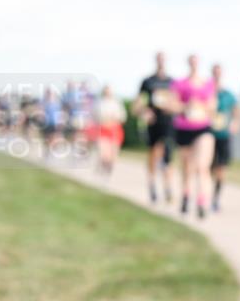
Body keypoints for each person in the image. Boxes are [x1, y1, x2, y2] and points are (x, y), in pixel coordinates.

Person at [170, 55, 217, 219]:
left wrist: (201, 106)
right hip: (184, 128)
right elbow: (172, 105)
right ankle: (186, 194)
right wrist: (186, 106)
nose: (194, 64)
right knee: (187, 167)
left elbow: (213, 106)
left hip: (203, 128)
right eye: (192, 61)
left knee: (202, 166)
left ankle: (202, 201)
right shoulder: (179, 83)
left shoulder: (208, 84)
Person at [133, 52, 176, 204]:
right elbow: (137, 104)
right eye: (159, 59)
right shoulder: (148, 82)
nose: (161, 62)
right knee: (153, 154)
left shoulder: (172, 82)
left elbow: (177, 102)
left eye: (163, 59)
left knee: (167, 155)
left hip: (168, 122)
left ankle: (168, 187)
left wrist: (171, 107)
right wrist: (144, 112)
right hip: (153, 124)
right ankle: (152, 185)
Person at [210, 63, 240, 212]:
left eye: (219, 72)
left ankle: (216, 198)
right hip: (208, 135)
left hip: (224, 135)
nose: (217, 74)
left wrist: (235, 124)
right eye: (215, 72)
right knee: (208, 168)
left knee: (221, 169)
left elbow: (237, 112)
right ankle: (206, 194)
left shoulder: (228, 94)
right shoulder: (207, 91)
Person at [93, 85, 126, 177]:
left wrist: (112, 121)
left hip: (114, 129)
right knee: (102, 151)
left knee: (113, 151)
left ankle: (109, 166)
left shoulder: (117, 103)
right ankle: (103, 165)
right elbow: (95, 116)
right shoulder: (99, 103)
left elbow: (122, 117)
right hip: (102, 129)